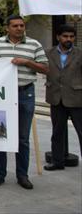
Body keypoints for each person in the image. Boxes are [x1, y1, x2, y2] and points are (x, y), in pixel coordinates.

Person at [0, 15, 48, 190]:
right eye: (15, 25)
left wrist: (28, 62)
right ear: (7, 28)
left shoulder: (34, 45)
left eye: (22, 25)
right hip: (2, 95)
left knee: (22, 138)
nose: (19, 28)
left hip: (24, 93)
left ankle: (22, 174)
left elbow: (46, 68)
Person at [44, 24, 82, 171]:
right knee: (57, 132)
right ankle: (57, 161)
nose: (69, 39)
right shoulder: (48, 53)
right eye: (65, 36)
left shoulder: (79, 53)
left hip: (76, 98)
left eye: (71, 37)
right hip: (56, 98)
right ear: (58, 37)